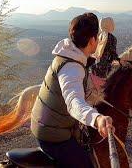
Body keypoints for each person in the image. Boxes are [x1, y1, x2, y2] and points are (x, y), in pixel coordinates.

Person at [30, 13, 115, 168]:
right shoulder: (72, 67)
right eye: (96, 36)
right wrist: (97, 119)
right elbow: (74, 101)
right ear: (92, 41)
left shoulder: (70, 54)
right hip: (53, 133)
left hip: (52, 123)